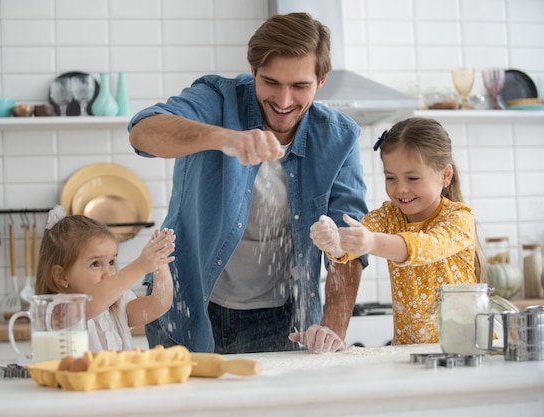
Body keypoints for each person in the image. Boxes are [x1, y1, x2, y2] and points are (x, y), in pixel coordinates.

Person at [127, 12, 368, 354]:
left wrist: (331, 330)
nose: (284, 101)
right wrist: (224, 138)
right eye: (271, 82)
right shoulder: (216, 99)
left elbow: (349, 246)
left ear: (321, 80)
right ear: (253, 71)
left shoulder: (339, 138)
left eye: (300, 86)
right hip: (186, 308)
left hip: (283, 322)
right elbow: (143, 132)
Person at [310, 117, 481, 345]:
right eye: (391, 177)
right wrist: (335, 243)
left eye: (412, 178)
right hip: (409, 352)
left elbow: (424, 246)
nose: (401, 188)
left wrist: (372, 243)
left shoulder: (459, 218)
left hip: (465, 348)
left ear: (445, 175)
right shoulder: (389, 215)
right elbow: (358, 238)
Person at [35, 205, 176, 351]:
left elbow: (158, 304)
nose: (108, 273)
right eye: (95, 264)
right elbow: (91, 305)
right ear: (61, 276)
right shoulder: (58, 309)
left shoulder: (118, 304)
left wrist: (159, 262)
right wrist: (140, 266)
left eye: (111, 263)